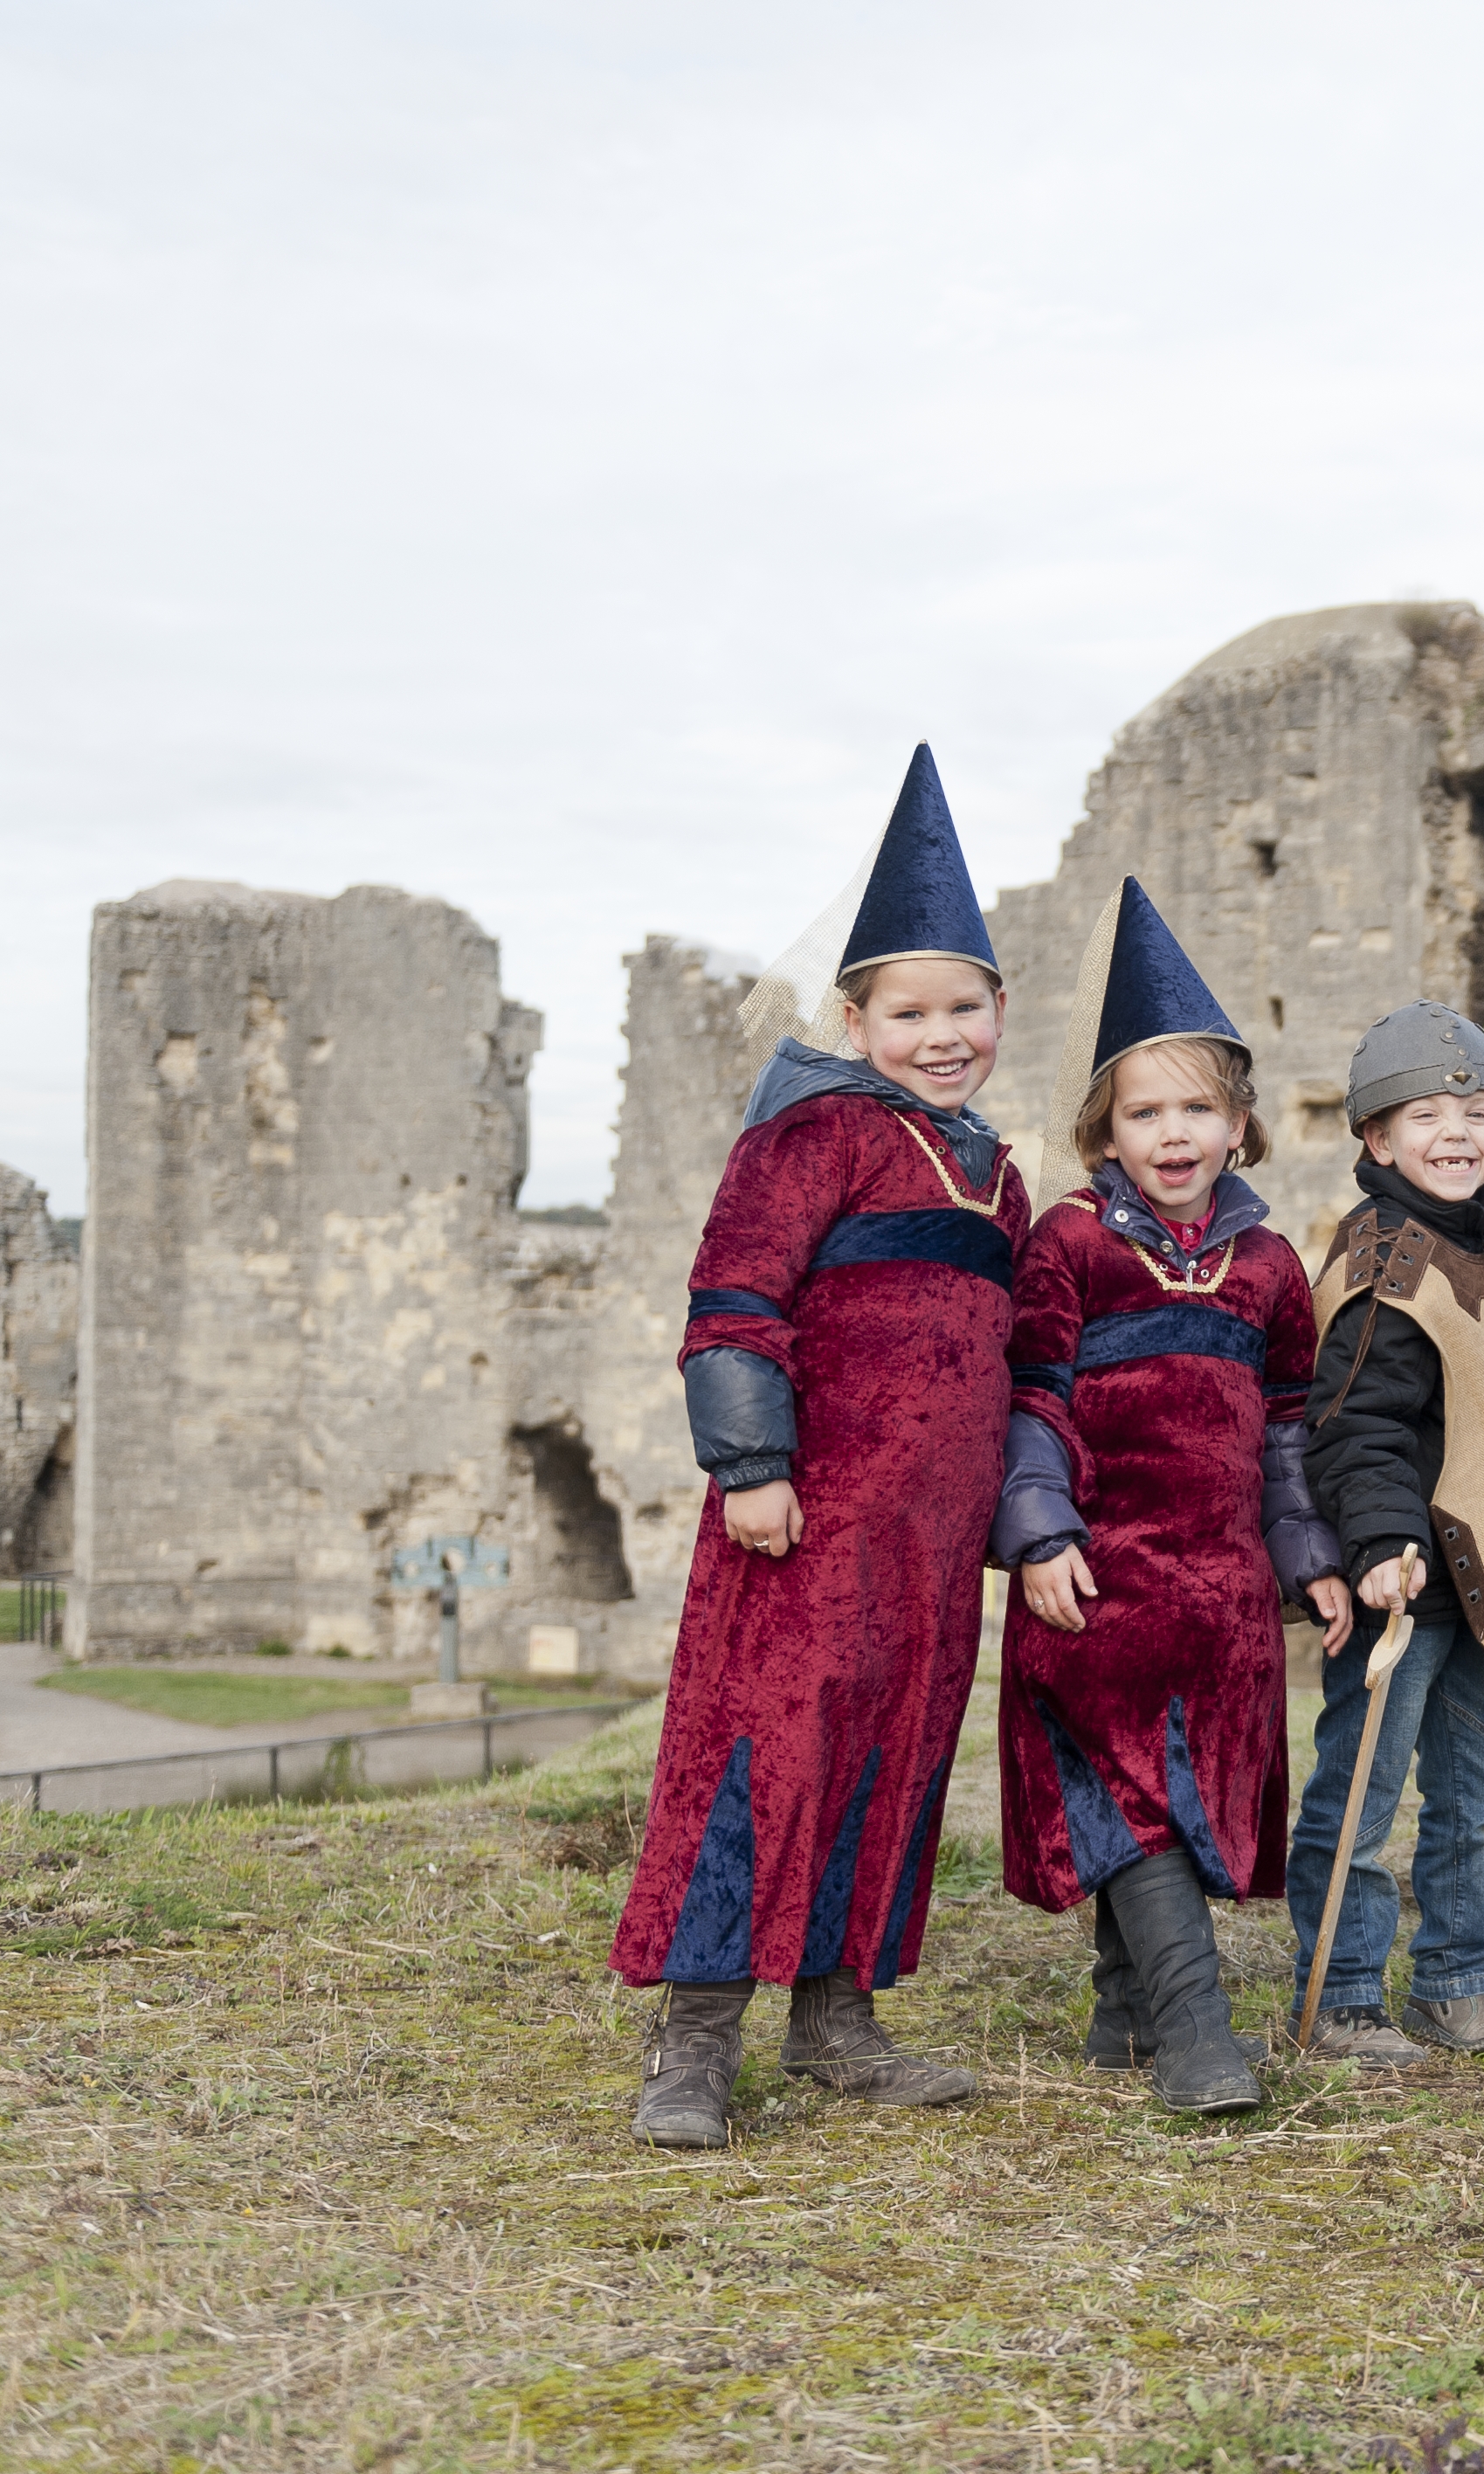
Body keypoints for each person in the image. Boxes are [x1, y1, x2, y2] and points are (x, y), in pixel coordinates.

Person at [617, 744, 1026, 2146]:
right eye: (910, 1012)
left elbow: (1016, 1351)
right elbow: (734, 1300)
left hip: (933, 1538)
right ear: (857, 1019)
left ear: (999, 1011)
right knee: (761, 1757)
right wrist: (753, 1466)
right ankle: (696, 2040)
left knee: (894, 1754)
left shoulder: (998, 1172)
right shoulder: (814, 1135)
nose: (941, 1034)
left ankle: (839, 2017)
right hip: (807, 1517)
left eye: (963, 1007)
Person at [990, 880, 1349, 2116]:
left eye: (1199, 1107)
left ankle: (1123, 2009)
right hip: (1103, 1572)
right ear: (1107, 1134)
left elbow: (1290, 1423)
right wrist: (1039, 1530)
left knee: (1185, 1790)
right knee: (1125, 1780)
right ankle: (1199, 2036)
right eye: (1147, 1112)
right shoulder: (1073, 1243)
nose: (1176, 1132)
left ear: (1241, 1125)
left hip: (1225, 1589)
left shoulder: (1267, 1265)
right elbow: (1030, 1394)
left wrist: (1306, 1556)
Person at [1287, 1002, 1484, 2063]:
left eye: (1475, 1111)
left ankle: (1455, 1983)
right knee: (1360, 1795)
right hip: (1402, 1576)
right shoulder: (1386, 1265)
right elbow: (1355, 1426)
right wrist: (1376, 1546)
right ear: (1376, 1139)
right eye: (1424, 1115)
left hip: (1480, 1575)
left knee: (1472, 1796)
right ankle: (1342, 1991)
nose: (1454, 1130)